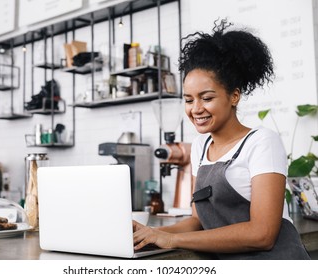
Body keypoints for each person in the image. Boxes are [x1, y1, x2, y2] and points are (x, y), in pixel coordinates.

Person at [133, 19, 310, 260]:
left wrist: (171, 239)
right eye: (188, 100)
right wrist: (151, 233)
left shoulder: (262, 142)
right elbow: (197, 221)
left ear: (234, 96)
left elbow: (262, 234)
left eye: (206, 98)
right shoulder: (200, 147)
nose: (196, 109)